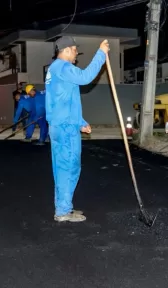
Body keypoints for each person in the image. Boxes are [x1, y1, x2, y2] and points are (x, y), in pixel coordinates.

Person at [45, 36, 110, 222]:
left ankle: (63, 207)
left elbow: (67, 99)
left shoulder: (55, 70)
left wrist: (80, 122)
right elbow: (86, 77)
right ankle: (63, 211)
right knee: (69, 168)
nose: (76, 55)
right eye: (74, 50)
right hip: (65, 128)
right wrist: (101, 54)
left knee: (62, 168)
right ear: (65, 50)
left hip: (62, 124)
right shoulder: (63, 67)